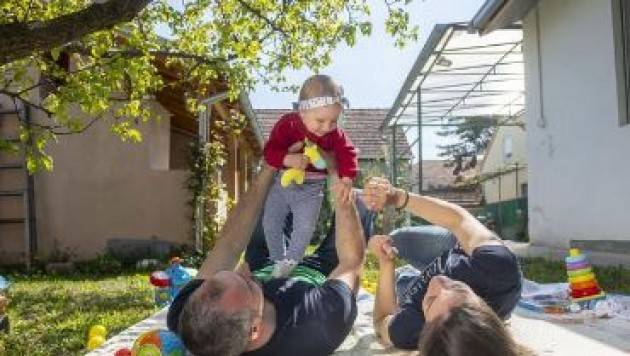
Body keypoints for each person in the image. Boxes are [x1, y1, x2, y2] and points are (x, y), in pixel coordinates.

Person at [166, 163, 373, 356]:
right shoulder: (319, 324)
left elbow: (229, 245)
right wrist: (340, 183)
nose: (244, 270)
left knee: (273, 196)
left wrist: (268, 166)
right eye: (247, 282)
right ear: (254, 328)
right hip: (320, 270)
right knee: (360, 202)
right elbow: (351, 262)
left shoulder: (188, 317)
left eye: (232, 273)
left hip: (265, 262)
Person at [361, 177, 523, 354]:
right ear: (484, 307)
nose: (439, 281)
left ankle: (406, 275)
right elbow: (459, 221)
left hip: (412, 295)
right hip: (457, 248)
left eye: (431, 301)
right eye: (459, 289)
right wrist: (398, 197)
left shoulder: (408, 331)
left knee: (401, 280)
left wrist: (386, 263)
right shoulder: (498, 270)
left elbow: (381, 319)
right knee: (398, 238)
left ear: (425, 333)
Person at [262, 74, 358, 277]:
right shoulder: (287, 125)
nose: (326, 127)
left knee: (304, 227)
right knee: (271, 221)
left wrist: (347, 178)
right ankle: (277, 259)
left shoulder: (335, 134)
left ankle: (291, 261)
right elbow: (270, 151)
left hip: (312, 189)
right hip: (283, 183)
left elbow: (348, 153)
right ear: (302, 112)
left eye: (334, 120)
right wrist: (287, 158)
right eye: (320, 120)